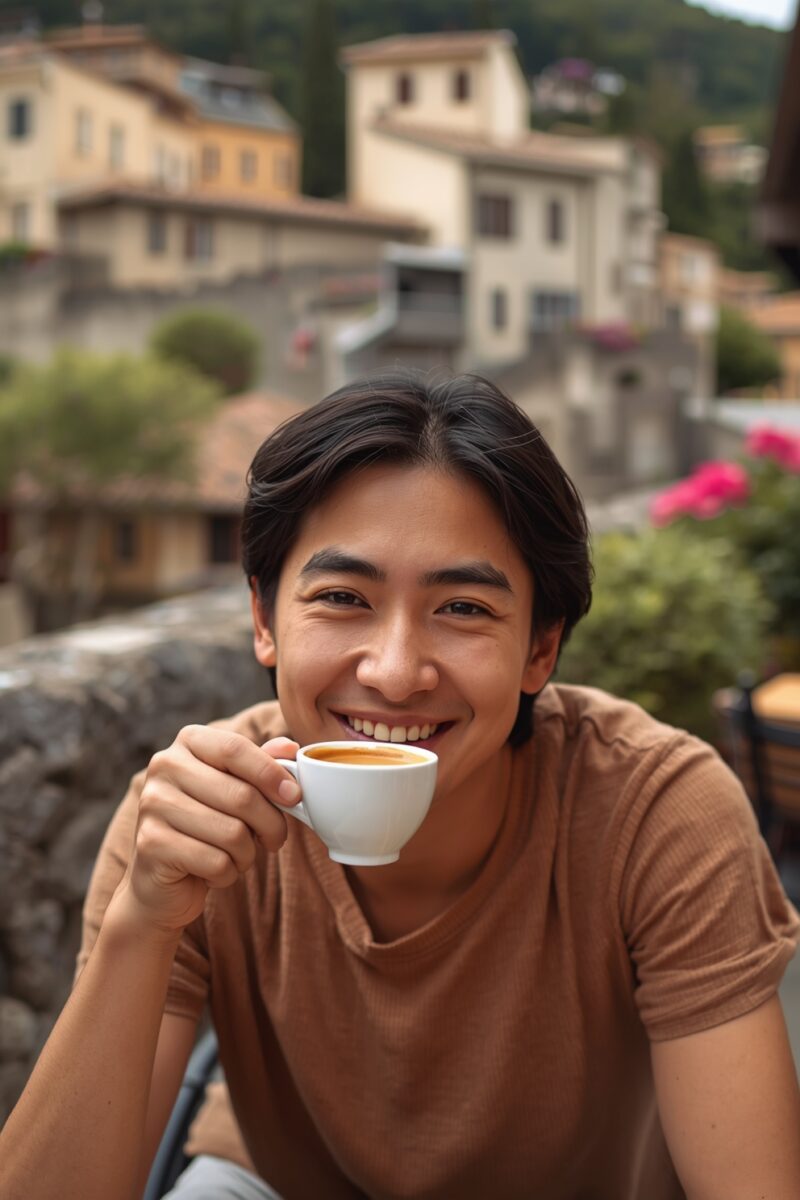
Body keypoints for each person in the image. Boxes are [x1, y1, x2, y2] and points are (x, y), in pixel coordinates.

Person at [2, 370, 800, 1200]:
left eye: (462, 609)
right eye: (343, 597)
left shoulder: (657, 813)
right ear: (266, 621)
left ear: (539, 649)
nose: (393, 673)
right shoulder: (193, 817)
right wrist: (142, 921)